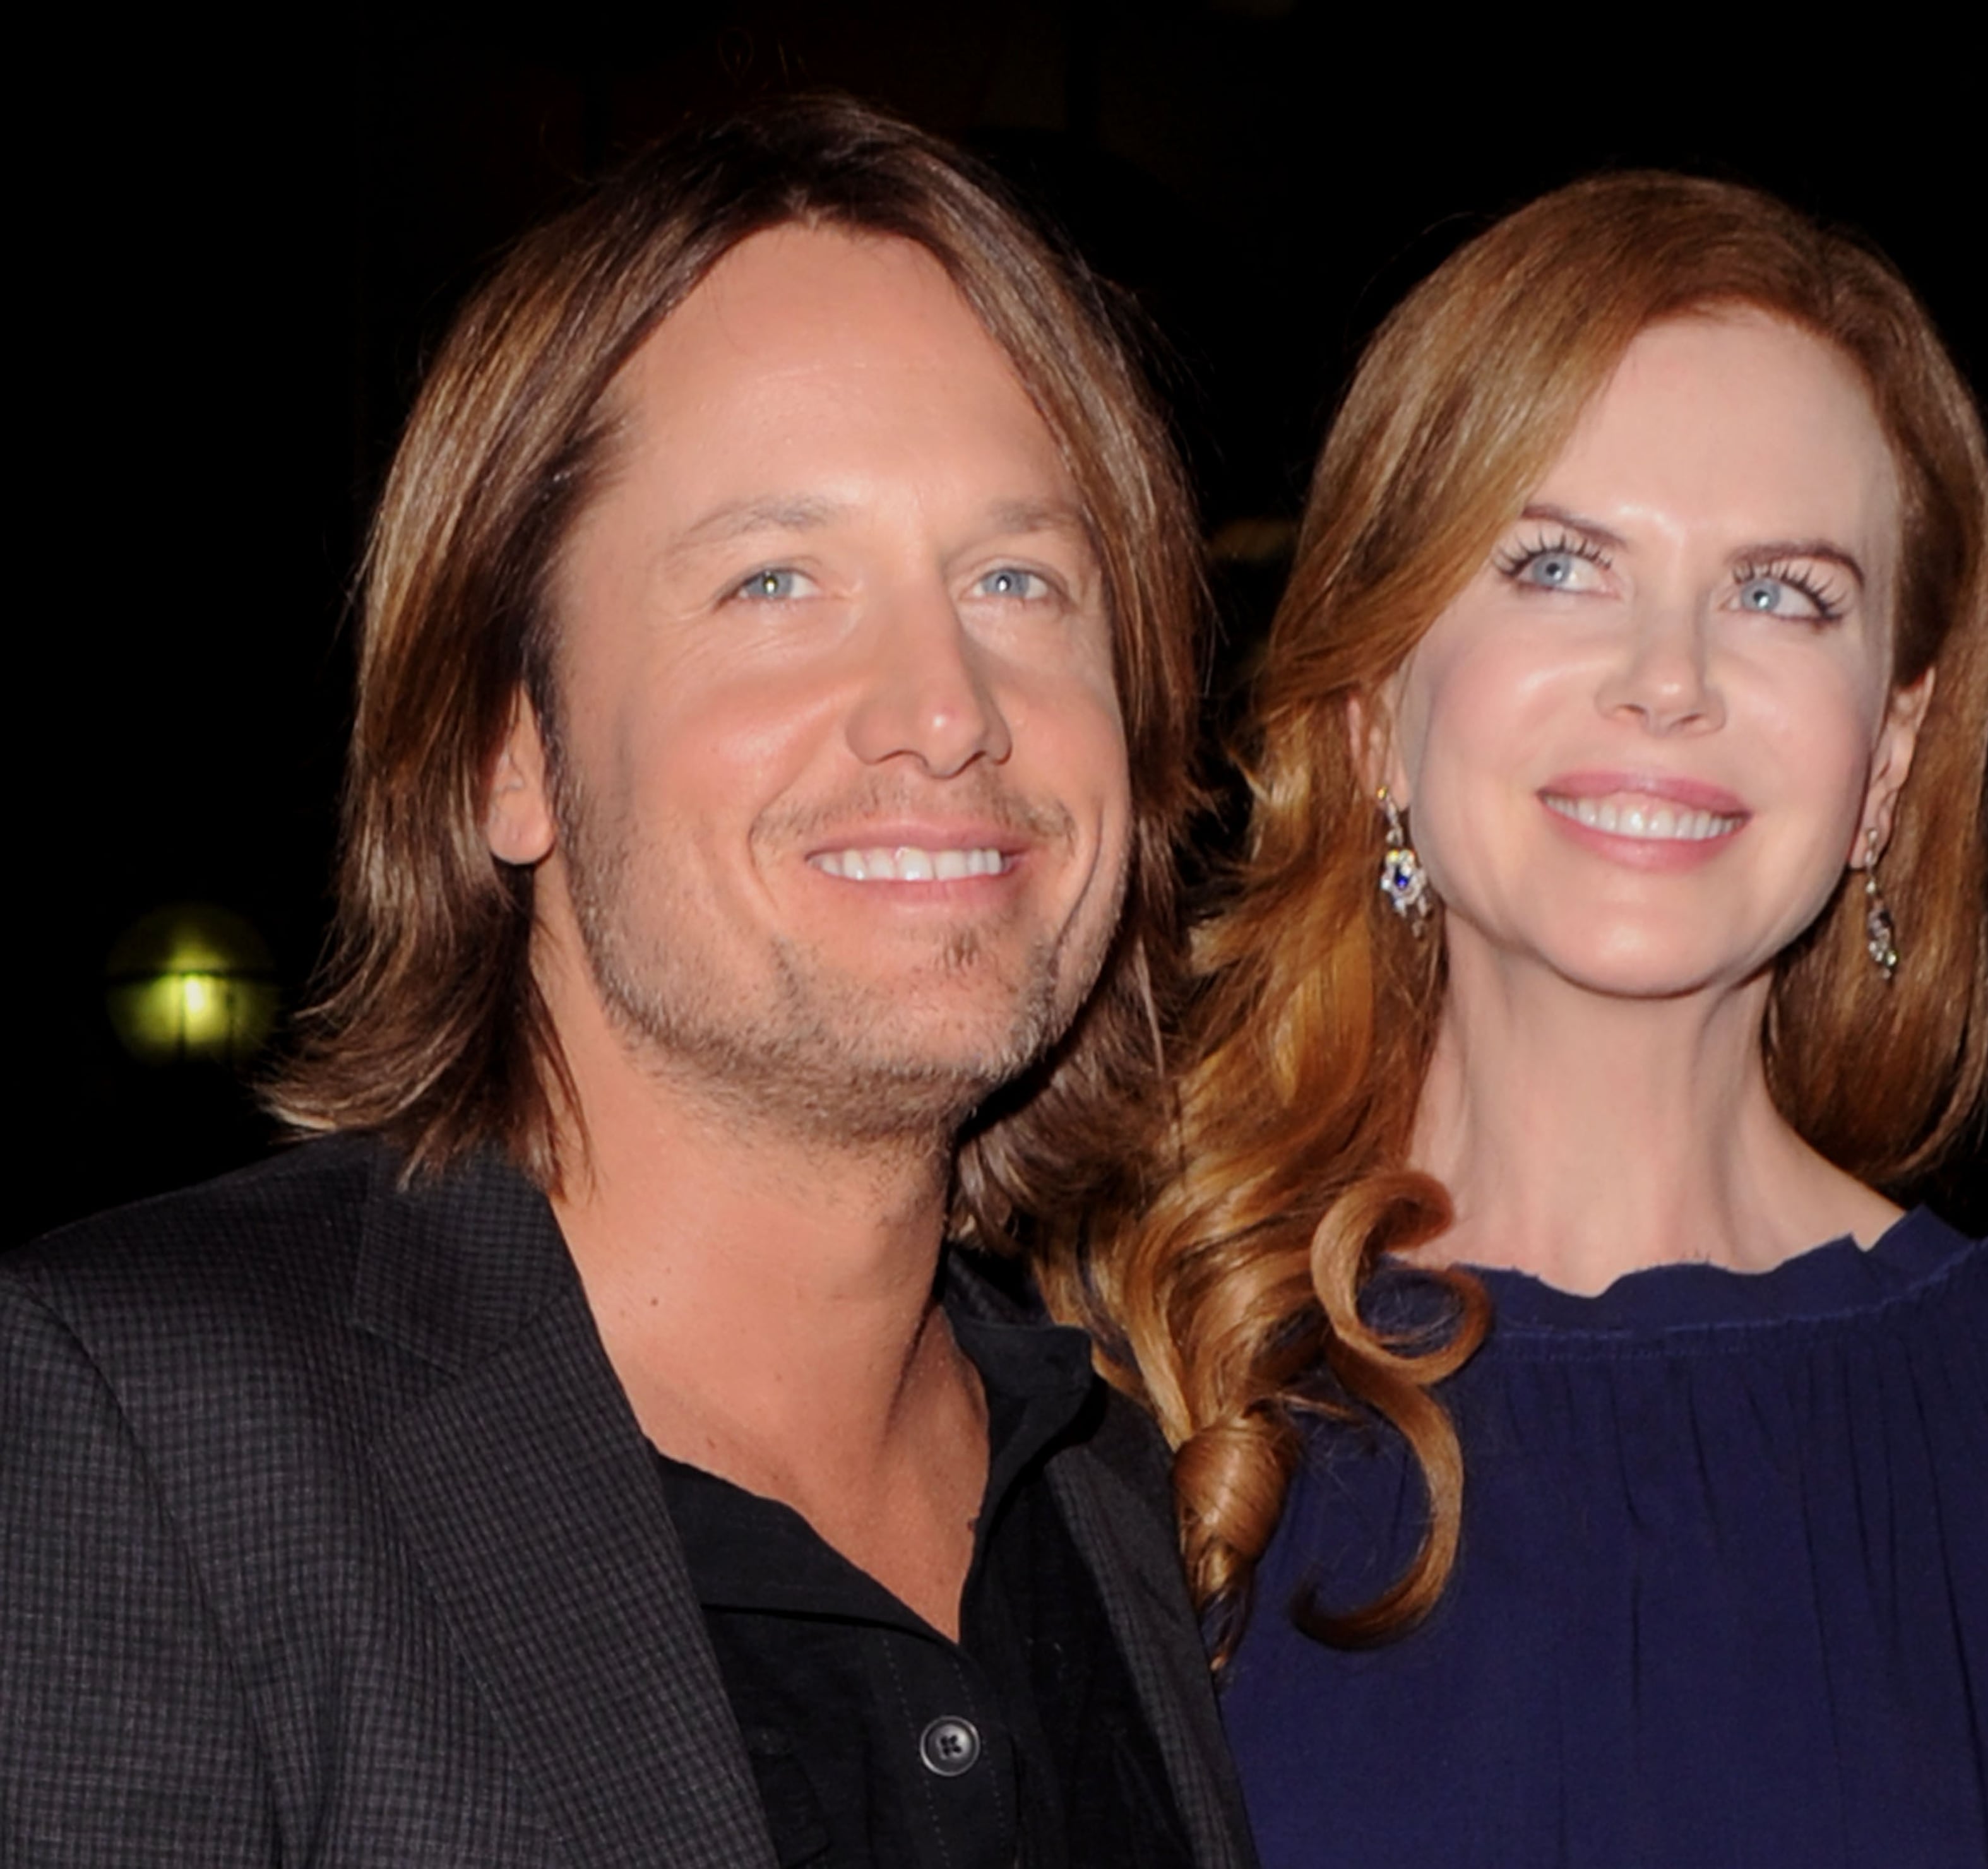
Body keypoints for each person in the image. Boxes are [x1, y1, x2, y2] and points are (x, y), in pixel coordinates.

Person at [1, 98, 1254, 1869]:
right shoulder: (145, 1434)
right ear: (509, 745)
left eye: (1017, 578)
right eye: (776, 578)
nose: (948, 700)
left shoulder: (1127, 1496)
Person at [1077, 174, 1988, 1867]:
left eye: (1783, 593)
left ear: (1893, 756)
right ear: (1369, 711)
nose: (1671, 674)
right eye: (1559, 563)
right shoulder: (1106, 1372)